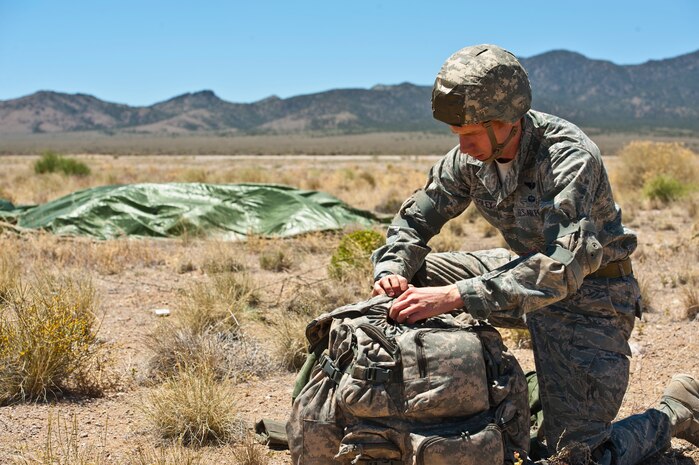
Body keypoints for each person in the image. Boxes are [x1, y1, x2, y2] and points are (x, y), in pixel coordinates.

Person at [370, 44, 698, 465]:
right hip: (521, 274)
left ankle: (676, 409)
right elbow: (416, 219)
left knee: (576, 457)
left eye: (471, 132)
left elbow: (561, 268)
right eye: (457, 134)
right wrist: (393, 267)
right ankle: (443, 401)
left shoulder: (568, 155)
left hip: (591, 297)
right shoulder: (469, 158)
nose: (462, 145)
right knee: (419, 275)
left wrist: (458, 296)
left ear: (507, 121)